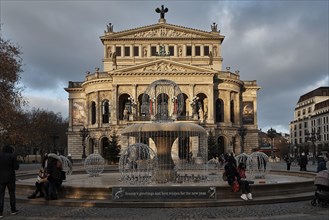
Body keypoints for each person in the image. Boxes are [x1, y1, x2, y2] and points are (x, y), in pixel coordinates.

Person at [0, 145, 19, 218]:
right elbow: (16, 167)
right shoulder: (12, 156)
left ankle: (0, 213)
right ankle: (13, 210)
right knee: (12, 194)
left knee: (1, 195)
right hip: (10, 178)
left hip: (1, 179)